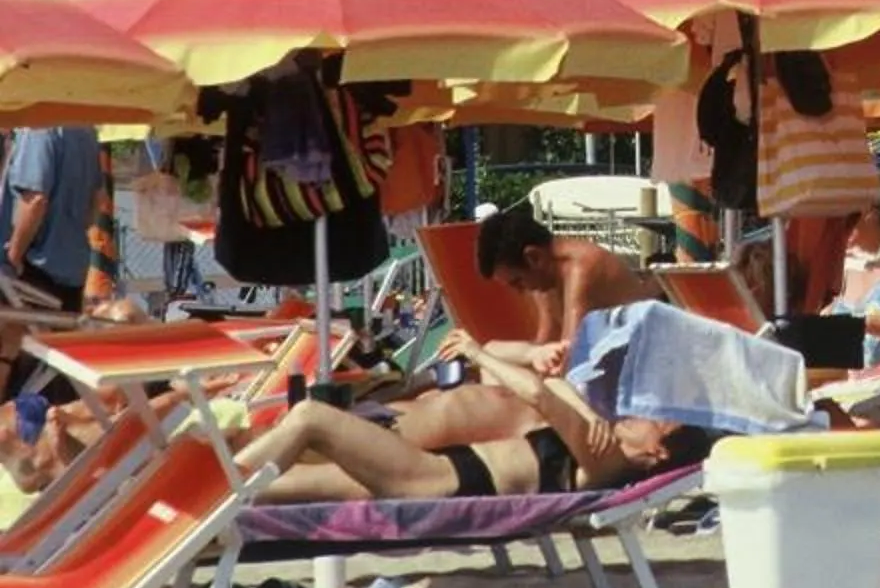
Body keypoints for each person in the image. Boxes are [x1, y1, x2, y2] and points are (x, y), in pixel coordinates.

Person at [241, 333, 706, 506]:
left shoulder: (605, 460)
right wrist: (582, 403)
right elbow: (556, 388)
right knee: (277, 487)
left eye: (656, 419)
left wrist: (476, 351)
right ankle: (199, 508)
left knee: (309, 417)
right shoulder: (597, 436)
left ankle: (212, 490)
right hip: (435, 471)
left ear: (657, 451)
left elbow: (539, 393)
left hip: (435, 481)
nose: (637, 412)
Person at [474, 198, 663, 368]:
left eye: (518, 282)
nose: (522, 291)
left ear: (534, 257)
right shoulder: (545, 276)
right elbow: (545, 345)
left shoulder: (583, 268)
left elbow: (569, 357)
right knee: (492, 355)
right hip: (611, 369)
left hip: (643, 368)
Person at [0, 127, 102, 315]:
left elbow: (34, 200)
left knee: (24, 341)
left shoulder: (37, 130)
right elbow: (94, 204)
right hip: (73, 270)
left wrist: (12, 258)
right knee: (61, 342)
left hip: (32, 271)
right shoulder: (86, 130)